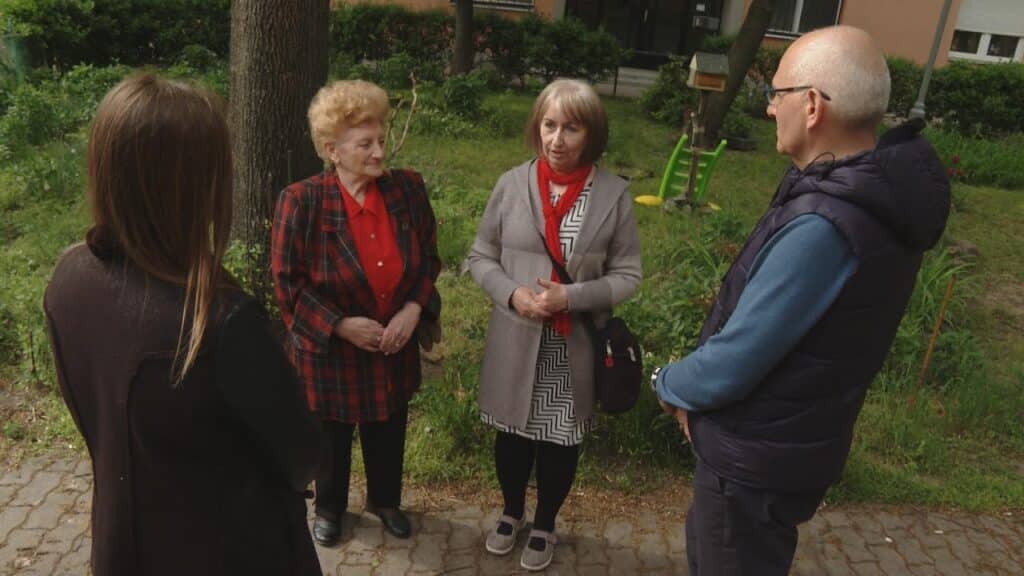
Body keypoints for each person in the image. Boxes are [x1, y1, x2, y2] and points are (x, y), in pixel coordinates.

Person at [652, 26, 951, 575]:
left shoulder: (826, 224)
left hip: (752, 464)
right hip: (789, 446)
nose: (770, 109)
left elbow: (738, 357)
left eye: (777, 93)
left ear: (812, 105)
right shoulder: (866, 195)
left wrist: (670, 384)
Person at [43, 75, 322, 576]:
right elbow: (303, 457)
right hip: (234, 555)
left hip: (123, 545)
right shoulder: (220, 323)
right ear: (194, 188)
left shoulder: (69, 277)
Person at [467, 79, 642, 571]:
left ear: (592, 134)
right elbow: (480, 256)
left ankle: (545, 522)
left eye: (571, 128)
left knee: (560, 439)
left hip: (573, 346)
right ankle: (511, 512)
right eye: (549, 125)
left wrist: (573, 296)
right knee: (511, 436)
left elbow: (629, 275)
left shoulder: (613, 195)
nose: (557, 139)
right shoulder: (511, 185)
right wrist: (513, 293)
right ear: (536, 126)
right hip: (515, 337)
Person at [271, 79, 441, 545]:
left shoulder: (407, 190)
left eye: (381, 140)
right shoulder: (302, 201)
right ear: (333, 151)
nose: (379, 152)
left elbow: (429, 259)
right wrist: (340, 326)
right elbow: (288, 284)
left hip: (393, 339)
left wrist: (413, 309)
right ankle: (329, 507)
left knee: (389, 422)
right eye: (365, 144)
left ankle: (385, 501)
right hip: (333, 350)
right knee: (331, 431)